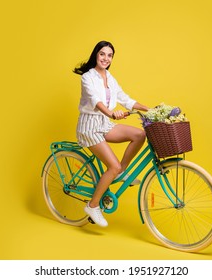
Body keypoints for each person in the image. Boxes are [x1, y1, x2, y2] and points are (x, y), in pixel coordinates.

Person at [73, 41, 149, 227]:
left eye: (109, 55)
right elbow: (95, 101)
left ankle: (118, 172)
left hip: (104, 124)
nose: (106, 58)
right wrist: (111, 113)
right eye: (102, 54)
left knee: (139, 135)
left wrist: (150, 109)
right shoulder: (88, 77)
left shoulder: (109, 77)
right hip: (89, 127)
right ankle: (93, 206)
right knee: (112, 166)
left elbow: (125, 99)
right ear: (96, 55)